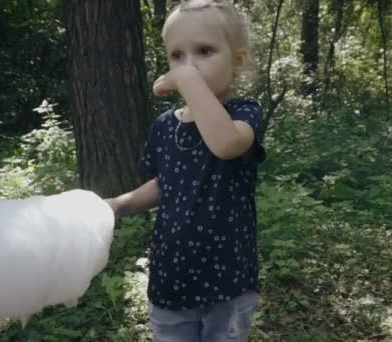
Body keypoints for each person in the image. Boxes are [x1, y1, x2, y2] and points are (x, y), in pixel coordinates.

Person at [105, 0, 266, 340]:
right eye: (177, 56)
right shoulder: (166, 126)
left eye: (204, 51)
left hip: (229, 284)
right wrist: (120, 204)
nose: (188, 66)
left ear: (237, 60)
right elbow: (165, 185)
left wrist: (186, 79)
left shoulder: (243, 114)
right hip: (172, 279)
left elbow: (225, 144)